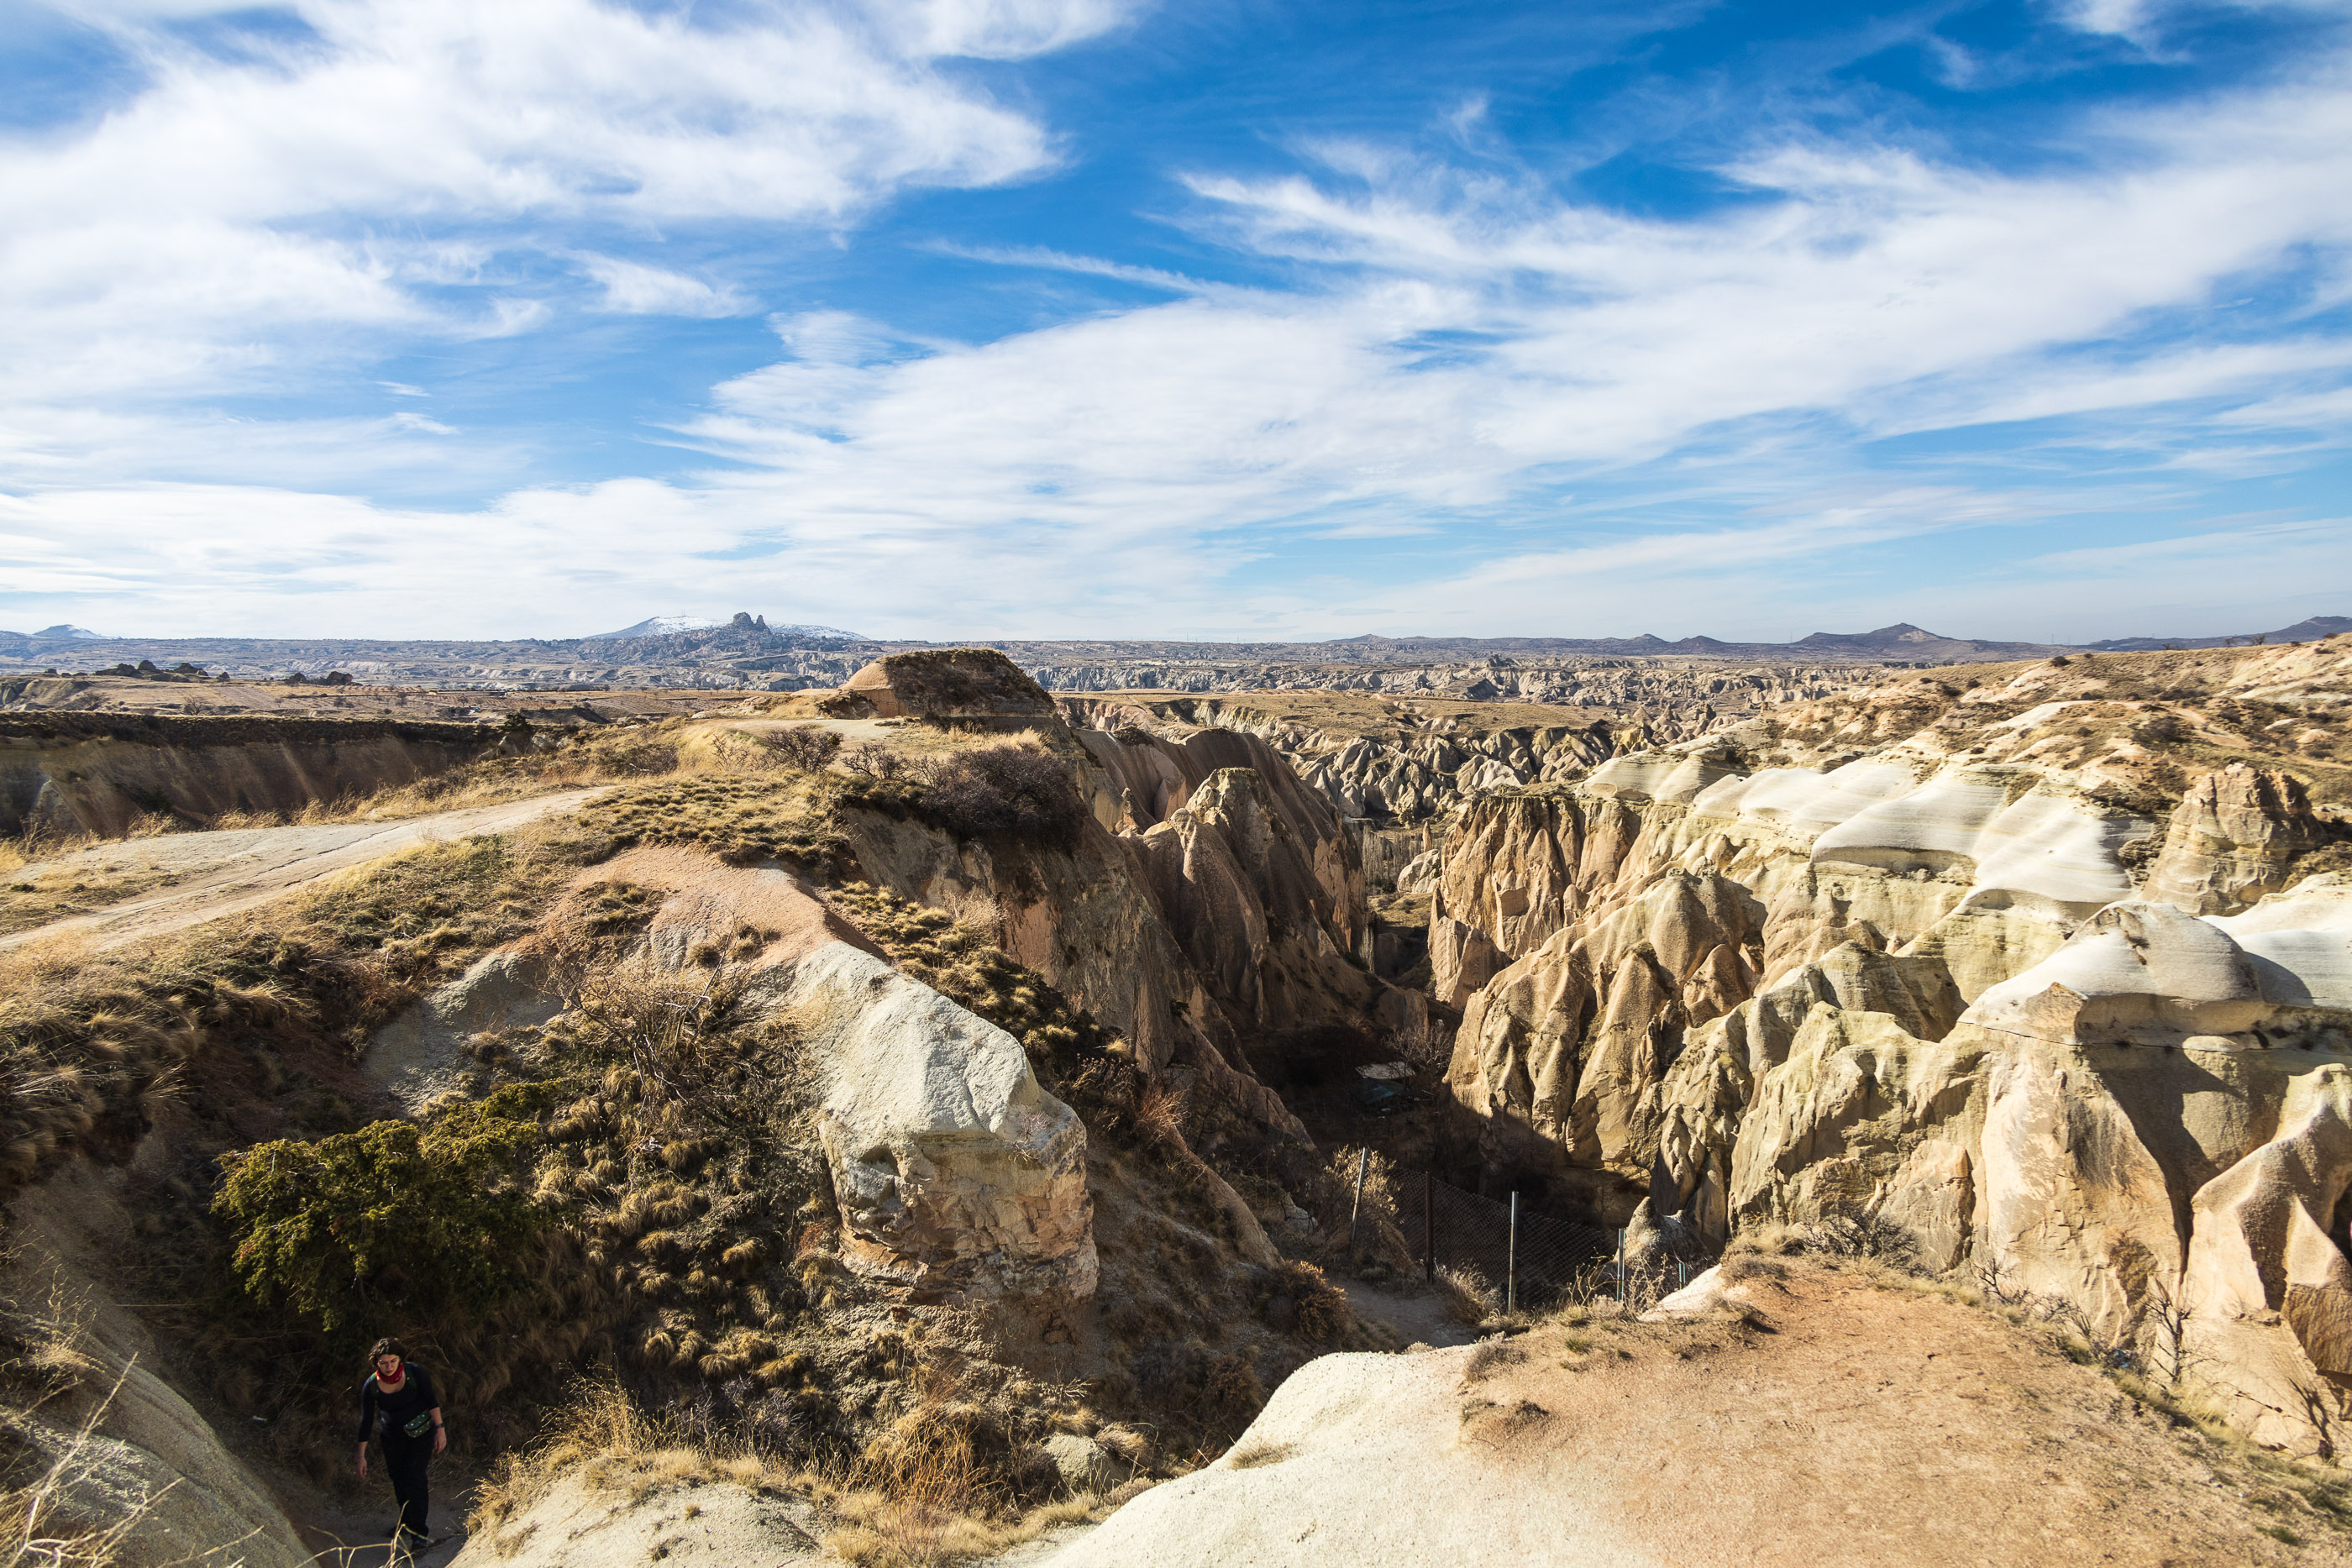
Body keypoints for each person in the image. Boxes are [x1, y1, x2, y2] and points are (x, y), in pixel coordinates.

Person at [355, 1338, 445, 1550]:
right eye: (384, 1363)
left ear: (400, 1359)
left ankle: (419, 1534)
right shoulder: (371, 1386)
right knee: (398, 1480)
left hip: (421, 1434)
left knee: (415, 1478)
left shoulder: (415, 1373)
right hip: (392, 1438)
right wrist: (361, 1456)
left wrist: (440, 1429)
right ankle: (406, 1522)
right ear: (376, 1363)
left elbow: (432, 1401)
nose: (389, 1367)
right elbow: (366, 1421)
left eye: (393, 1361)